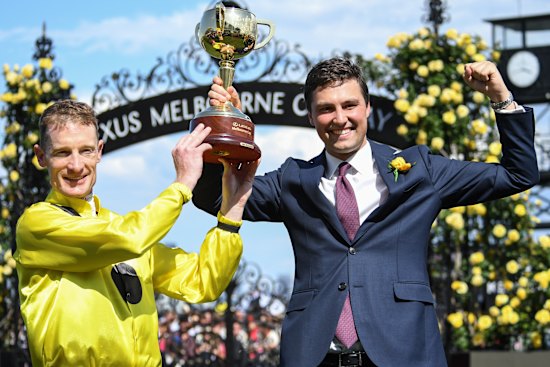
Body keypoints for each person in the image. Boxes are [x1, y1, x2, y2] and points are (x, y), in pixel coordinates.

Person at [192, 58, 539, 367]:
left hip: (405, 352)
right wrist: (226, 125)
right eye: (326, 109)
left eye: (350, 105)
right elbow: (212, 198)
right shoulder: (292, 181)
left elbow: (517, 174)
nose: (340, 119)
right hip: (315, 355)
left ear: (368, 107)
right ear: (310, 116)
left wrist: (500, 95)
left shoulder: (421, 171)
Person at [14, 99, 258, 366]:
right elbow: (131, 238)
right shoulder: (37, 224)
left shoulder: (123, 231)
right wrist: (182, 185)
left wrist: (231, 212)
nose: (75, 165)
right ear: (41, 156)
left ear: (99, 151)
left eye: (85, 151)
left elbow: (204, 282)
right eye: (62, 153)